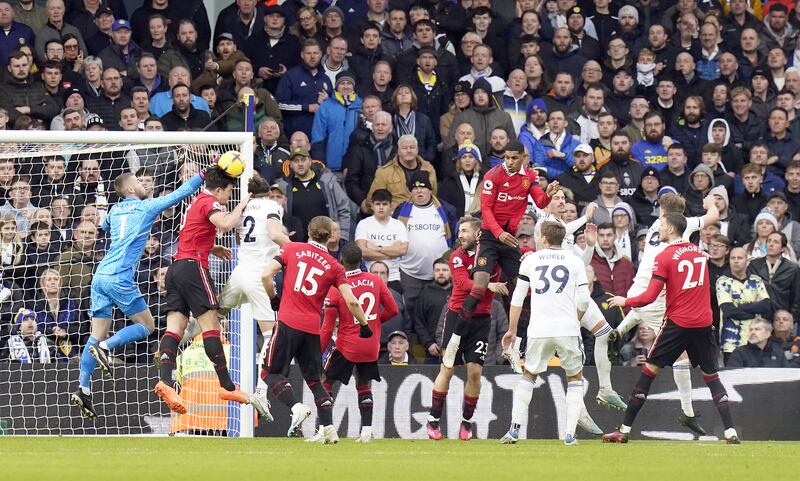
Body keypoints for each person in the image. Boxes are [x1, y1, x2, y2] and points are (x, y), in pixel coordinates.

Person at [604, 213, 740, 445]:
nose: (660, 229)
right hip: (704, 323)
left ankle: (624, 430)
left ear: (671, 230)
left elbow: (649, 296)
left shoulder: (665, 256)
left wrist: (625, 301)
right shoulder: (699, 252)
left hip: (678, 323)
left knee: (648, 374)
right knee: (712, 377)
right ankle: (730, 432)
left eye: (663, 226)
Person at [152, 167, 260, 416]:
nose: (229, 196)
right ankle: (227, 385)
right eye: (229, 192)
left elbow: (191, 235)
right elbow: (226, 223)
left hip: (175, 268)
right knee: (211, 326)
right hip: (193, 269)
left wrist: (213, 248)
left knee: (174, 330)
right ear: (220, 189)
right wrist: (243, 203)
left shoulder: (195, 202)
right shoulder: (210, 201)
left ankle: (166, 382)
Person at [441, 140, 556, 370]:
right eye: (507, 158)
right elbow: (485, 210)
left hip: (509, 239)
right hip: (491, 237)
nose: (509, 162)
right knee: (480, 285)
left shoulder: (530, 176)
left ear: (524, 158)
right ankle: (455, 339)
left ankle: (517, 345)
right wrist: (499, 233)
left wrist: (549, 194)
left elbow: (540, 202)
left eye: (514, 158)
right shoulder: (493, 176)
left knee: (525, 287)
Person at [613, 193, 719, 433]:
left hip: (639, 288)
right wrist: (710, 203)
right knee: (680, 355)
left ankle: (612, 339)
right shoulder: (680, 226)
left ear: (661, 209)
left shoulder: (656, 226)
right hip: (654, 294)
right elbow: (713, 216)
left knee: (630, 321)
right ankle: (688, 412)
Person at [260, 216, 370, 443]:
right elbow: (351, 301)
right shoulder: (335, 266)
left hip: (288, 322)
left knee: (269, 373)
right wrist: (364, 324)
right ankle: (329, 428)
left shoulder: (292, 248)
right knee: (314, 380)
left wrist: (273, 298)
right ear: (331, 236)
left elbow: (265, 275)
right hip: (312, 329)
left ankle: (296, 407)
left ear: (308, 231)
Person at [500, 221, 592, 445]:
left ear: (543, 238)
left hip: (538, 329)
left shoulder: (530, 260)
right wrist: (576, 320)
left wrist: (511, 330)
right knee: (574, 378)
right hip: (567, 327)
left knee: (529, 375)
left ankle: (514, 430)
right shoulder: (575, 261)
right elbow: (584, 299)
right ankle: (569, 435)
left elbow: (518, 298)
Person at [426, 216, 507, 441]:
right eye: (459, 231)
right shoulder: (457, 256)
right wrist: (487, 285)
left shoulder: (492, 256)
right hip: (456, 316)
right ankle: (433, 419)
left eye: (464, 231)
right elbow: (462, 283)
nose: (460, 235)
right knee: (448, 369)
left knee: (474, 372)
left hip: (481, 320)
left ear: (478, 233)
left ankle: (466, 422)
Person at [218, 173, 290, 418]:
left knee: (213, 315)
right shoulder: (273, 205)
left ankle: (174, 342)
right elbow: (273, 232)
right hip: (260, 276)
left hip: (239, 272)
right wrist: (293, 247)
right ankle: (261, 391)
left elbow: (239, 236)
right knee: (271, 336)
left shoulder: (244, 207)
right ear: (269, 192)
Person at [320, 243, 398, 443]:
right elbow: (393, 310)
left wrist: (317, 352)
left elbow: (328, 328)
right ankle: (366, 432)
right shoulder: (376, 281)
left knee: (325, 382)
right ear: (361, 260)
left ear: (342, 262)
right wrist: (373, 322)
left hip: (347, 345)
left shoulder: (337, 287)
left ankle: (325, 430)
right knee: (364, 386)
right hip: (370, 344)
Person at [716, 247, 772, 362]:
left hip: (755, 339)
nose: (736, 261)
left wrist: (740, 307)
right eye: (733, 258)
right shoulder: (723, 282)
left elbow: (766, 305)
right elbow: (729, 311)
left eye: (740, 258)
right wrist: (755, 310)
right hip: (731, 341)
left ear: (747, 261)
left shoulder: (756, 280)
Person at [354, 189, 407, 290]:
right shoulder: (363, 224)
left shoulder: (398, 225)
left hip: (393, 277)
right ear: (372, 206)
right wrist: (392, 252)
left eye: (385, 204)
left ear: (391, 206)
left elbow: (403, 250)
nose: (381, 207)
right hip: (369, 277)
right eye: (378, 204)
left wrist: (377, 248)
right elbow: (362, 252)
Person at [726, 317, 790, 367]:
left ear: (768, 333)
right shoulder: (739, 353)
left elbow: (787, 377)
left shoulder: (778, 352)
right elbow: (732, 378)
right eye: (751, 329)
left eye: (757, 329)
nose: (753, 332)